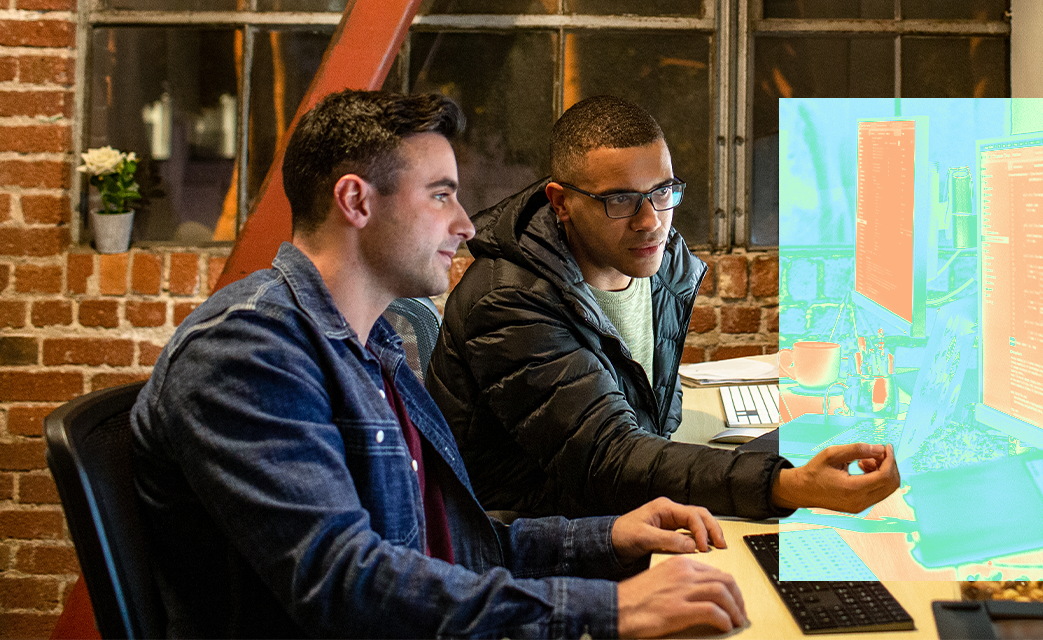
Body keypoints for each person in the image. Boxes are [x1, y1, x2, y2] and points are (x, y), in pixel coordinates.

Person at [130, 90, 747, 640]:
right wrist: (609, 610)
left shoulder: (374, 346)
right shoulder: (249, 350)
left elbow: (450, 544)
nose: (465, 224)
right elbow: (348, 586)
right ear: (356, 201)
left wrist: (607, 537)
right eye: (441, 196)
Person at [427, 95, 901, 520]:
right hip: (537, 540)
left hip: (615, 501)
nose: (650, 221)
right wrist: (783, 484)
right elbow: (607, 459)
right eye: (619, 200)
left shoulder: (658, 263)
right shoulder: (509, 301)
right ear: (562, 202)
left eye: (661, 192)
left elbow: (643, 429)